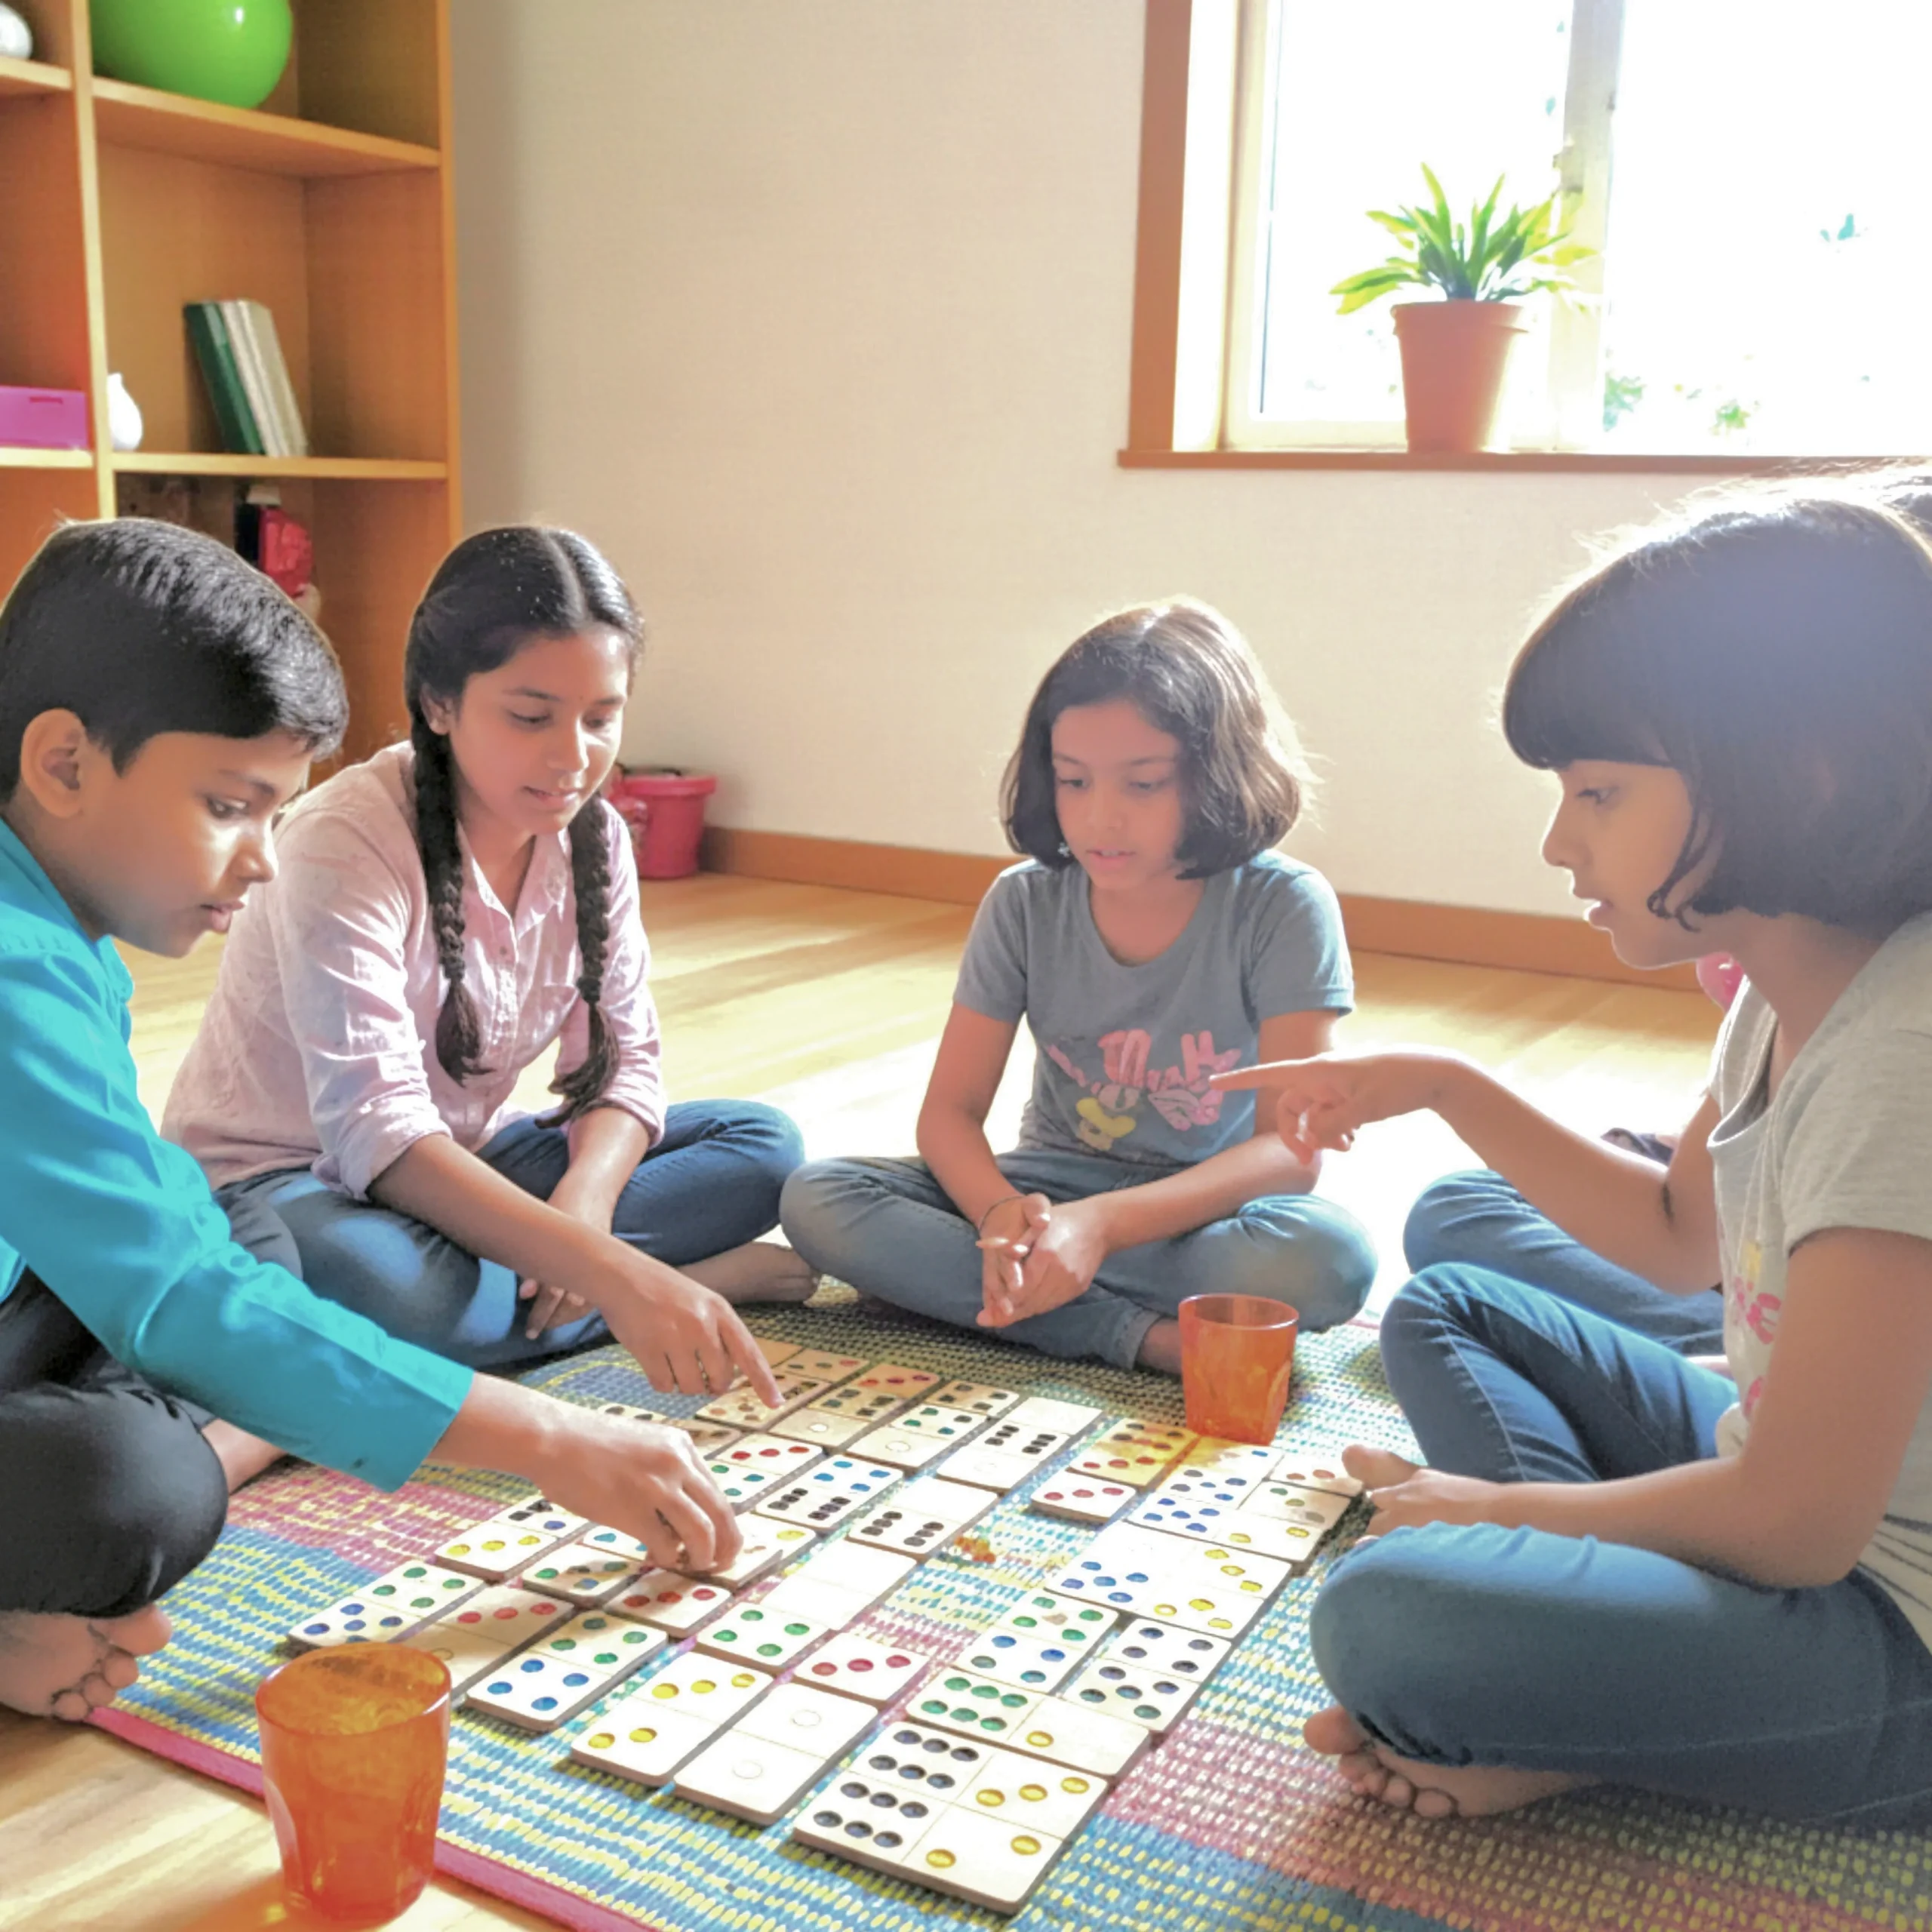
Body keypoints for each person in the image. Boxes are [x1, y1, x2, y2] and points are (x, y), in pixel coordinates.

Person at [1217, 479, 1932, 1826]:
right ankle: (1599, 1648)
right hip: (1784, 1488)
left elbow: (1800, 1525)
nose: (1560, 840)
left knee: (1389, 1617)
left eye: (1599, 791)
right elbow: (1675, 1237)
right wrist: (1443, 1083)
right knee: (1450, 1304)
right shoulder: (1784, 983)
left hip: (1894, 1631)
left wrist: (1501, 1517)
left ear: (1803, 773)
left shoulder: (1904, 1051)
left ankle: (1592, 1685)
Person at [0, 521, 772, 1723]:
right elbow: (188, 1286)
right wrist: (552, 1439)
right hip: (326, 1193)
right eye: (229, 806)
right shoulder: (19, 964)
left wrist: (586, 1236)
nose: (261, 862)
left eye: (600, 716)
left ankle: (237, 1435)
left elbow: (158, 1246)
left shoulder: (58, 929)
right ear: (62, 763)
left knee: (233, 1252)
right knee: (145, 1487)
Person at [163, 527, 810, 1374]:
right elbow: (377, 1131)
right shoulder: (344, 839)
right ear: (439, 702)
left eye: (601, 718)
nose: (573, 757)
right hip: (287, 1183)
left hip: (465, 1158)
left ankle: (550, 1291)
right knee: (394, 1290)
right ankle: (661, 1290)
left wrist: (584, 1209)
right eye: (530, 717)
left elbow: (623, 1065)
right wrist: (603, 1269)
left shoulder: (596, 839)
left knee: (761, 1148)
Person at [781, 599, 1375, 1373]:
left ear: (1218, 776)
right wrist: (998, 1214)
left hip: (1201, 1210)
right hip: (1045, 1189)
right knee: (819, 1198)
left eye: (1143, 784)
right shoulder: (1024, 901)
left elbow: (1288, 1151)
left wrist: (1101, 1228)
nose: (1101, 819)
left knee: (1329, 1260)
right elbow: (949, 1114)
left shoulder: (1284, 905)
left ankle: (978, 1291)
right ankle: (1140, 1336)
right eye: (1073, 780)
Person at [1400, 949, 1744, 1355]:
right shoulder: (1763, 992)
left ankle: (1721, 1356)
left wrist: (1446, 1085)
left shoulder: (1794, 990)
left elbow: (1684, 1240)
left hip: (1761, 1268)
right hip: (1724, 1191)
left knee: (1443, 1270)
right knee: (1455, 1208)